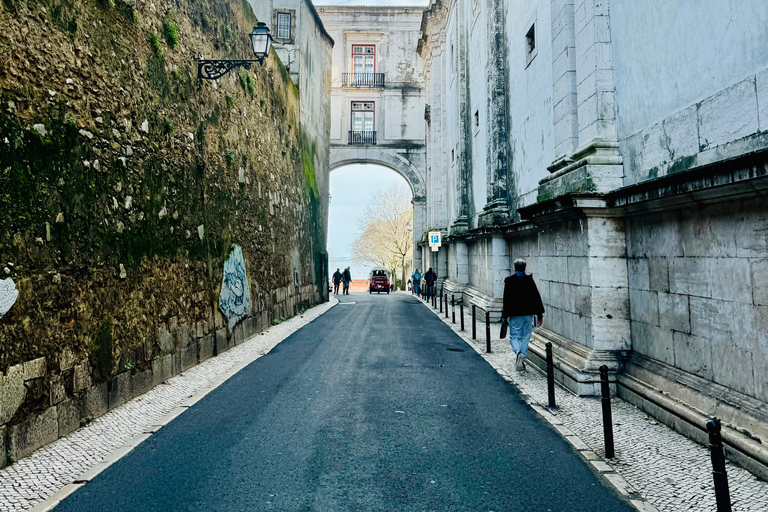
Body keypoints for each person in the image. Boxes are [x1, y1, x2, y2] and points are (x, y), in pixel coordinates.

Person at [501, 259, 544, 371]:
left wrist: (505, 315)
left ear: (515, 268)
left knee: (514, 337)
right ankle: (522, 356)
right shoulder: (529, 280)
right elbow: (536, 297)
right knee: (526, 337)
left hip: (515, 315)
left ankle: (518, 352)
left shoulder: (509, 281)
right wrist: (540, 315)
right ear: (525, 268)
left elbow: (506, 299)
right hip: (528, 314)